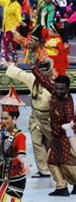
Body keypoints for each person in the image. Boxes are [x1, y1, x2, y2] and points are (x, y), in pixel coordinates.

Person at [31, 65, 76, 196]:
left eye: (61, 89)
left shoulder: (67, 104)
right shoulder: (55, 92)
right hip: (56, 137)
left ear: (67, 89)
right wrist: (34, 67)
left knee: (66, 164)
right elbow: (44, 81)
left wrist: (70, 141)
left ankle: (68, 185)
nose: (58, 91)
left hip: (65, 137)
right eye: (56, 88)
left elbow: (70, 123)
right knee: (52, 161)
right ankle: (61, 187)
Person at [3, 60, 52, 178]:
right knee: (37, 143)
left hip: (50, 119)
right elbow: (20, 74)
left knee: (50, 144)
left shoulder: (54, 86)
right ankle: (44, 169)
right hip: (35, 117)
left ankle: (52, 167)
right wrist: (9, 66)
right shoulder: (32, 80)